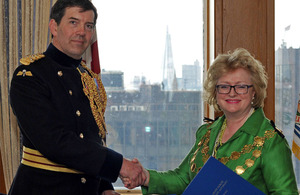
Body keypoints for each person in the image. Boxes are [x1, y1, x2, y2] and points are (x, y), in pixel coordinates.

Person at [8, 0, 146, 194]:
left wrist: (104, 187)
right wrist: (119, 165)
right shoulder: (30, 76)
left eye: (88, 26)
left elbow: (93, 140)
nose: (82, 31)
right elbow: (55, 142)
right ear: (54, 27)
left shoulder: (89, 79)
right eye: (73, 22)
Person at [122, 48, 298, 194]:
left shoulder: (271, 141)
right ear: (215, 92)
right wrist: (145, 176)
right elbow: (183, 179)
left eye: (241, 86)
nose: (232, 92)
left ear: (254, 92)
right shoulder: (206, 133)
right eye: (224, 86)